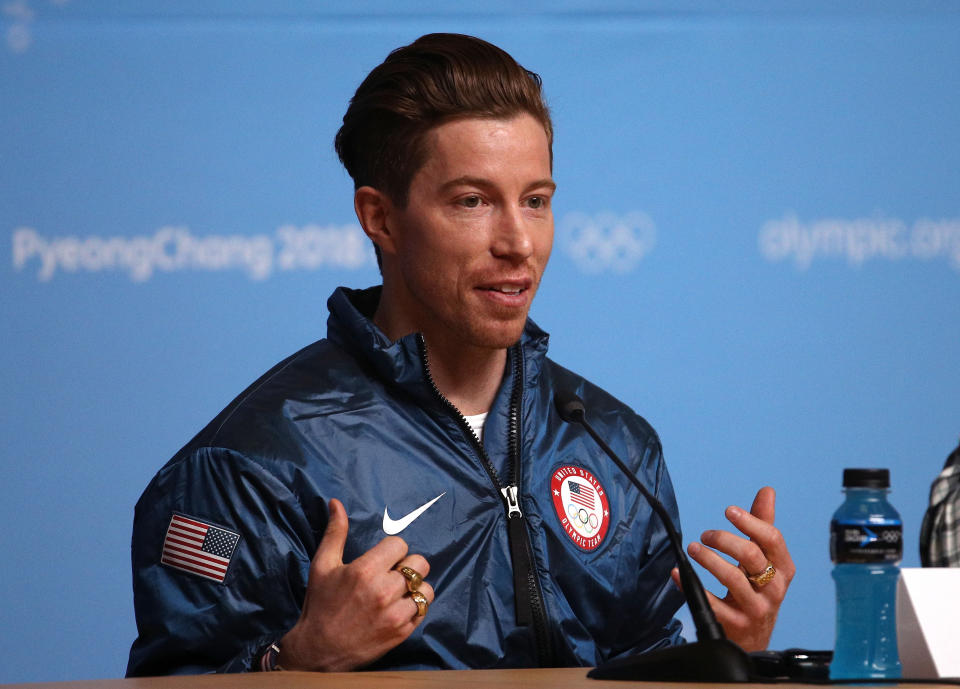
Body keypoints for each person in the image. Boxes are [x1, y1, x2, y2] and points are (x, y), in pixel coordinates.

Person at [126, 33, 794, 676]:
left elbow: (643, 665)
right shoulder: (249, 464)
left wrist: (730, 654)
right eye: (472, 201)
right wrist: (297, 660)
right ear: (380, 218)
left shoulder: (617, 446)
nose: (518, 242)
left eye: (535, 201)